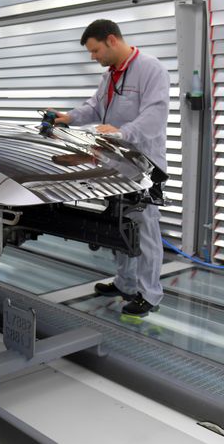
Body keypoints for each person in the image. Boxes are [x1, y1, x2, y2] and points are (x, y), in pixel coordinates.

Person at [52, 19, 169, 317]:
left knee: (145, 229)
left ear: (112, 40)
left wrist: (122, 132)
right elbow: (94, 109)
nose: (93, 57)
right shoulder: (111, 76)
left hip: (143, 164)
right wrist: (67, 117)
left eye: (95, 51)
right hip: (114, 163)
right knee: (120, 225)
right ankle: (125, 282)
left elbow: (155, 115)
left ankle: (150, 294)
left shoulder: (151, 69)